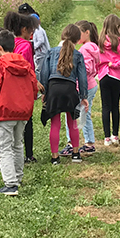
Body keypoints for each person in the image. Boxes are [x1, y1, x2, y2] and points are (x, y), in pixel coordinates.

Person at [0, 30, 37, 196]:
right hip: (23, 111)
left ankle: (11, 183)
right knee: (17, 144)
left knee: (3, 146)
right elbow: (35, 87)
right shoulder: (25, 64)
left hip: (5, 110)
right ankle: (18, 177)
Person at [39, 24, 88, 164]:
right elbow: (83, 78)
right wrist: (83, 97)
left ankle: (55, 157)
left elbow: (44, 73)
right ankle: (76, 154)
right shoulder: (78, 55)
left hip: (54, 89)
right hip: (70, 89)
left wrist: (45, 92)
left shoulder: (51, 52)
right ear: (77, 39)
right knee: (72, 122)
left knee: (55, 123)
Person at [59, 20, 100, 156]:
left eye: (79, 33)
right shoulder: (93, 47)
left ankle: (77, 142)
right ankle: (87, 142)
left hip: (84, 85)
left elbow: (86, 68)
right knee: (83, 113)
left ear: (86, 33)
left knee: (75, 114)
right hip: (91, 83)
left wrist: (73, 67)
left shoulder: (84, 49)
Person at [4, 11, 40, 163]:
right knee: (27, 122)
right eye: (31, 30)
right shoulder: (25, 46)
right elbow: (27, 68)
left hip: (9, 88)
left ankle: (10, 154)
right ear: (24, 29)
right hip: (23, 89)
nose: (32, 33)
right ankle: (28, 154)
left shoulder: (11, 43)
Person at [96, 14, 120, 147]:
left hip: (104, 75)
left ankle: (106, 138)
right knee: (115, 106)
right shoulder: (119, 41)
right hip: (116, 76)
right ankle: (115, 135)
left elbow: (96, 57)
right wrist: (118, 63)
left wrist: (97, 70)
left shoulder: (99, 41)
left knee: (105, 106)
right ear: (116, 27)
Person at [18, 3, 50, 74]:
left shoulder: (38, 30)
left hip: (42, 54)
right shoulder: (36, 30)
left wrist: (33, 47)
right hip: (39, 54)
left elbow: (41, 40)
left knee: (40, 70)